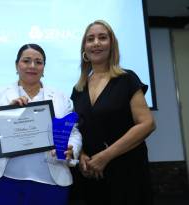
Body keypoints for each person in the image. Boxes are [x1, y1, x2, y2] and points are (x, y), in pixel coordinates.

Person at [0, 43, 82, 205]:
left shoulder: (60, 97)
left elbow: (73, 133)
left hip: (51, 183)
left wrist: (72, 149)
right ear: (17, 65)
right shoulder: (1, 94)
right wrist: (4, 113)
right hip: (4, 182)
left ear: (44, 68)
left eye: (38, 62)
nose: (32, 66)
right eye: (26, 61)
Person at [70, 20, 156, 205]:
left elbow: (147, 123)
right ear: (84, 48)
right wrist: (82, 155)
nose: (96, 43)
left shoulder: (127, 79)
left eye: (102, 37)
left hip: (128, 171)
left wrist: (105, 156)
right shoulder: (78, 88)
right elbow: (77, 129)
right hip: (93, 174)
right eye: (90, 39)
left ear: (112, 45)